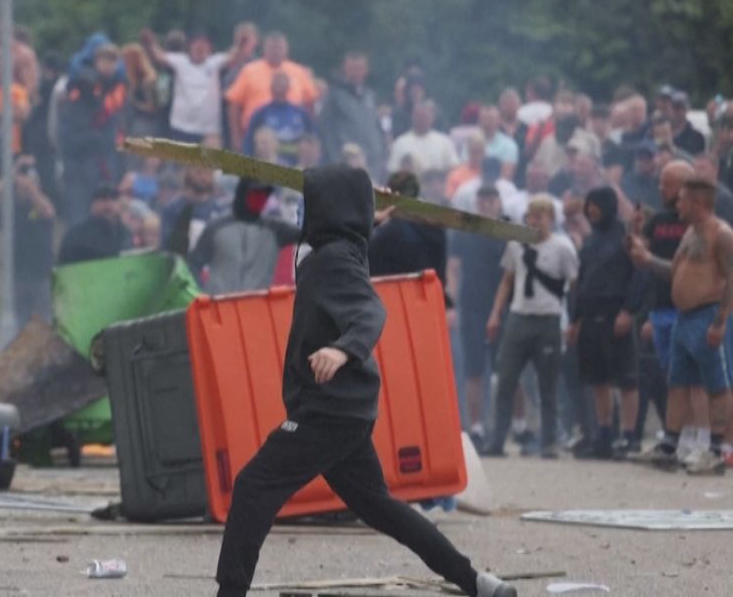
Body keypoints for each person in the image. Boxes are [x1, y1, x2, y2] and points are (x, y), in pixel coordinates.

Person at [214, 164, 516, 597]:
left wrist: (342, 349)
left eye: (312, 202)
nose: (304, 210)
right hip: (344, 411)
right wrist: (367, 212)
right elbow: (344, 240)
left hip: (328, 410)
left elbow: (370, 310)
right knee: (381, 507)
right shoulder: (341, 248)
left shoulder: (336, 259)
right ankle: (476, 582)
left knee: (252, 486)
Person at [629, 178, 733, 475]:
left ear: (699, 203)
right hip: (683, 317)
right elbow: (674, 271)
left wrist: (720, 321)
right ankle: (670, 446)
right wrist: (646, 258)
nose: (677, 204)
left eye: (682, 200)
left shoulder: (722, 234)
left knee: (717, 384)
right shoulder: (690, 233)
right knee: (677, 383)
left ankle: (716, 450)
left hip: (708, 315)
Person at [481, 195, 578, 459]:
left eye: (540, 216)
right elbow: (507, 280)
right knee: (506, 379)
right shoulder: (516, 245)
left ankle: (549, 441)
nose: (534, 221)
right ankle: (497, 438)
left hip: (548, 318)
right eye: (531, 216)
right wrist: (495, 313)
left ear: (550, 219)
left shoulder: (562, 247)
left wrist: (573, 320)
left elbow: (573, 286)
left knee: (547, 384)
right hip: (519, 316)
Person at [567, 187, 646, 458]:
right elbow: (581, 280)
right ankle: (603, 435)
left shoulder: (626, 236)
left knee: (626, 379)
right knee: (598, 378)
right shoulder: (589, 241)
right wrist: (574, 319)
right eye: (589, 204)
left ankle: (628, 436)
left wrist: (628, 311)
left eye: (596, 204)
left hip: (617, 313)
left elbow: (637, 276)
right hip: (590, 315)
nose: (591, 210)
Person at [632, 160, 692, 448]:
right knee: (673, 376)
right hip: (660, 309)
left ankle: (698, 437)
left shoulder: (698, 224)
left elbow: (687, 271)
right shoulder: (656, 221)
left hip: (689, 307)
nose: (661, 188)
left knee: (695, 378)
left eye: (667, 184)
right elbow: (640, 261)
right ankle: (677, 435)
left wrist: (648, 259)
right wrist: (635, 240)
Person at [448, 186, 509, 445]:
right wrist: (450, 304)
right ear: (476, 203)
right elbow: (453, 268)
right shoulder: (466, 231)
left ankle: (512, 427)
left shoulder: (508, 231)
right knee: (474, 369)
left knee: (508, 370)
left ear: (498, 202)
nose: (486, 205)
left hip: (505, 307)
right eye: (482, 200)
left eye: (491, 200)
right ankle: (476, 428)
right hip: (472, 306)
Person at [187, 178, 302, 295]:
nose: (260, 199)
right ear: (243, 194)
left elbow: (310, 235)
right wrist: (200, 292)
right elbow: (194, 263)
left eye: (263, 195)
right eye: (255, 195)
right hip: (218, 303)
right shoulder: (216, 228)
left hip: (257, 305)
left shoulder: (276, 230)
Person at [141, 28, 250, 147]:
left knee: (210, 164)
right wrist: (149, 44)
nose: (200, 48)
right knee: (183, 164)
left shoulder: (215, 62)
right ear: (190, 47)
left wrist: (240, 44)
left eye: (204, 45)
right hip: (181, 126)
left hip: (209, 129)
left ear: (209, 48)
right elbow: (158, 56)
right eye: (197, 44)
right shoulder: (180, 61)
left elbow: (233, 56)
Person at [58, 42, 126, 225]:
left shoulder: (115, 89)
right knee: (79, 217)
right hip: (79, 168)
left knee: (106, 217)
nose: (108, 66)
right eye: (104, 60)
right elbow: (68, 139)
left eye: (113, 61)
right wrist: (97, 139)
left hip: (104, 167)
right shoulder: (77, 93)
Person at [224, 32, 319, 150]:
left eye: (279, 48)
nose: (276, 52)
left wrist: (311, 138)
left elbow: (310, 103)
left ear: (286, 49)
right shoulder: (249, 71)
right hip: (257, 136)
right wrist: (236, 138)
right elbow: (234, 105)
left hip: (293, 137)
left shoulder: (298, 71)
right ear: (265, 49)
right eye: (272, 48)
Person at [0, 153, 57, 329]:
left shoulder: (43, 203)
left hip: (41, 272)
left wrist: (32, 190)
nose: (24, 188)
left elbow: (48, 212)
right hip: (17, 272)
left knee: (44, 318)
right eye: (21, 187)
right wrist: (14, 171)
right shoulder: (10, 208)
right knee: (19, 319)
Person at [319, 51, 385, 179]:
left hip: (372, 164)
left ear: (366, 70)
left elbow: (377, 126)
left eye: (359, 69)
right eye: (352, 68)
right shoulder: (334, 96)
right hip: (346, 164)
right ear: (345, 69)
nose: (356, 73)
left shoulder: (370, 96)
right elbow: (326, 130)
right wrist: (336, 158)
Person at [242, 73, 311, 165]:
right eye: (277, 86)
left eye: (282, 86)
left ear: (288, 88)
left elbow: (312, 139)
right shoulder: (261, 113)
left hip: (297, 164)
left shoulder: (300, 113)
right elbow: (249, 141)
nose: (280, 89)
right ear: (271, 88)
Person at [58, 186, 127, 264]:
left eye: (113, 199)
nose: (109, 205)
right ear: (92, 204)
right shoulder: (77, 235)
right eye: (103, 199)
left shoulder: (126, 234)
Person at [387, 100, 458, 175]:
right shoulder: (400, 143)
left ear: (432, 118)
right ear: (413, 118)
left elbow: (453, 168)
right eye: (419, 117)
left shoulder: (444, 142)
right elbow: (393, 171)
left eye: (425, 117)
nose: (422, 120)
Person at [160, 165, 219, 253]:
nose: (204, 178)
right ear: (188, 172)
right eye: (199, 172)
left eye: (208, 173)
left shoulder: (218, 211)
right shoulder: (173, 209)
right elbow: (166, 245)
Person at [476, 104, 519, 179]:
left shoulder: (509, 145)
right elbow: (465, 168)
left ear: (499, 121)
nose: (487, 122)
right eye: (484, 118)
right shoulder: (471, 143)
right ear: (479, 121)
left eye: (490, 119)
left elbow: (507, 175)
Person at [446, 132, 487, 201]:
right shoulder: (456, 175)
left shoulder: (491, 173)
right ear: (468, 151)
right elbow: (450, 199)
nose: (478, 156)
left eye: (480, 152)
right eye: (474, 152)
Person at [668, 91, 706, 157]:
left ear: (687, 109)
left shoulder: (697, 137)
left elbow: (697, 160)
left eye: (681, 108)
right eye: (675, 108)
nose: (678, 112)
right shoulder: (662, 133)